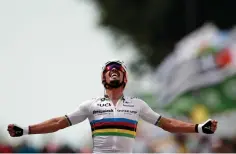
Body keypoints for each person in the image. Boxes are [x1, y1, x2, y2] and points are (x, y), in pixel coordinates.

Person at [7, 60, 218, 153]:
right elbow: (58, 123)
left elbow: (168, 123)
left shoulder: (137, 105)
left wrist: (198, 128)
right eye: (109, 69)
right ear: (103, 78)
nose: (114, 71)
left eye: (118, 69)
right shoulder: (91, 105)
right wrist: (26, 130)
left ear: (125, 78)